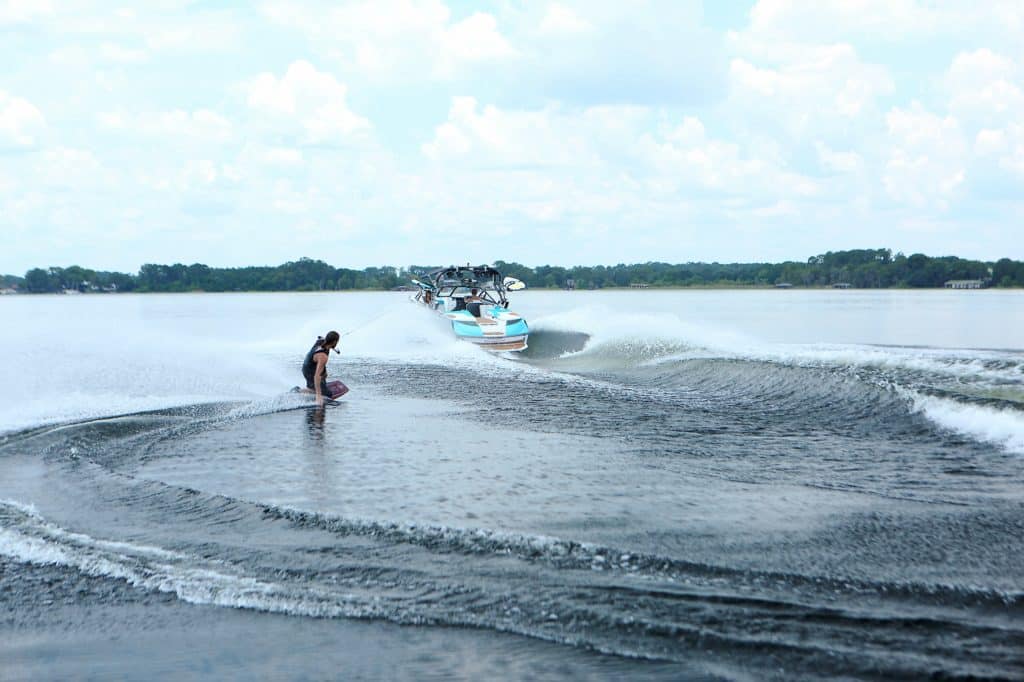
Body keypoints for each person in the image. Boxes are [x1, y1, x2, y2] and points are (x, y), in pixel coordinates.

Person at [302, 331, 339, 406]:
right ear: (335, 342)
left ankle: (314, 388)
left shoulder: (321, 341)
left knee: (324, 375)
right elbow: (317, 376)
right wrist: (319, 396)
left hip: (309, 365)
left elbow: (321, 338)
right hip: (309, 371)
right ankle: (297, 391)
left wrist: (324, 372)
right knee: (327, 394)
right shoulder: (323, 356)